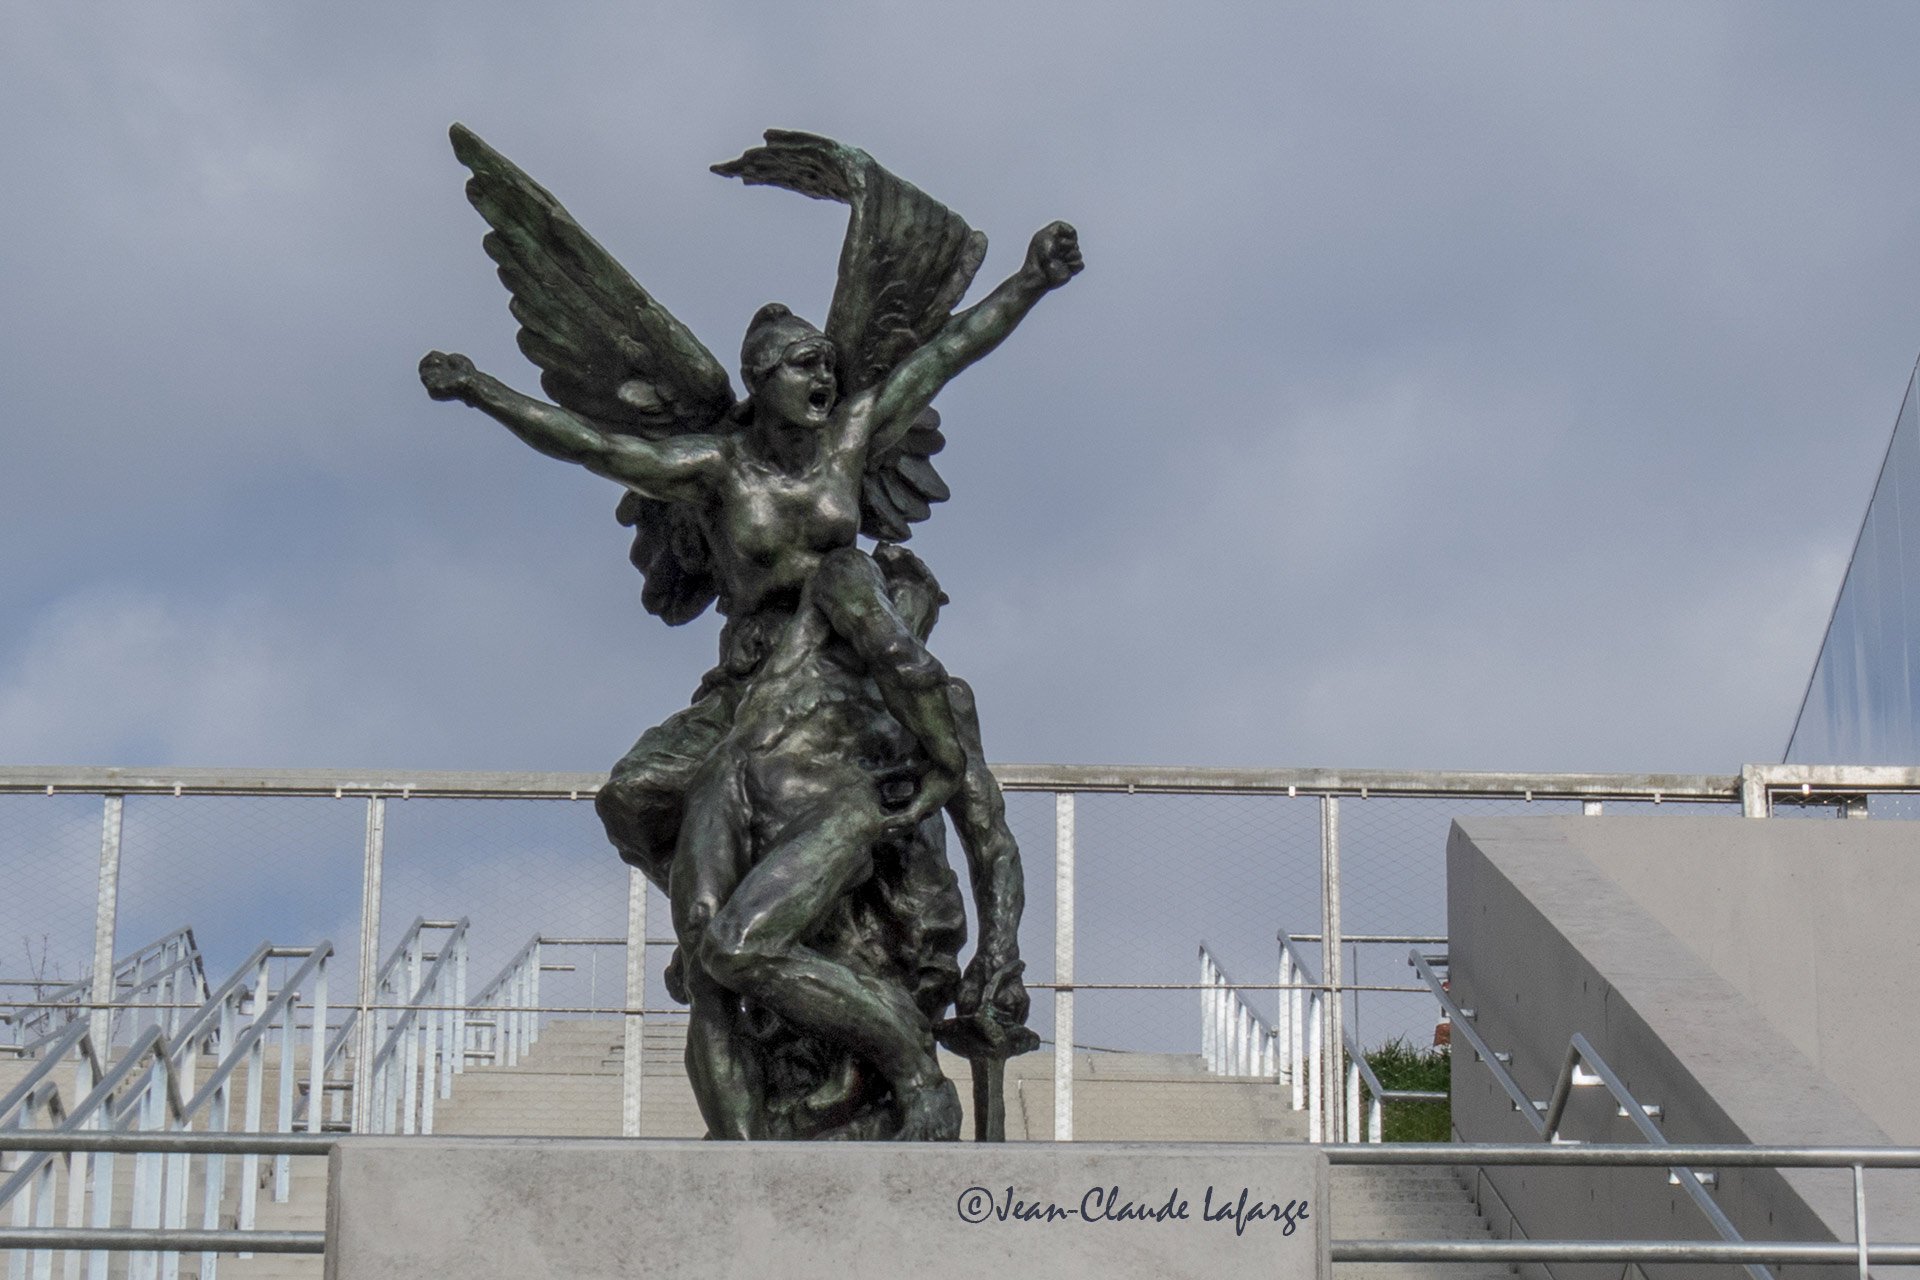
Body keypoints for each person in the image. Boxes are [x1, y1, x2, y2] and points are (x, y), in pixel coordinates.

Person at [671, 544, 1028, 1140]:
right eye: (910, 598)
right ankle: (737, 1158)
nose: (915, 621)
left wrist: (999, 954)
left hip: (835, 818)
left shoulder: (940, 706)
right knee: (703, 972)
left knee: (735, 950)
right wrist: (940, 760)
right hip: (726, 785)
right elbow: (902, 658)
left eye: (925, 610)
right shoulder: (828, 610)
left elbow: (990, 839)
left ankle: (915, 1071)